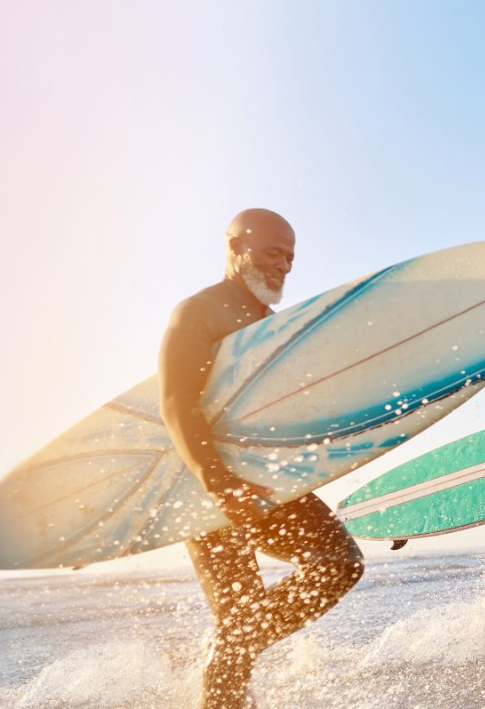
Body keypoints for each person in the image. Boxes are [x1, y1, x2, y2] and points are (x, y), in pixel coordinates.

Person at [159, 208, 364, 709]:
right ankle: (231, 660)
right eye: (275, 252)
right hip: (209, 492)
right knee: (240, 619)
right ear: (236, 247)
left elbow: (290, 421)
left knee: (339, 563)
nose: (285, 266)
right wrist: (215, 481)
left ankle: (230, 649)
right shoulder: (198, 312)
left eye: (291, 256)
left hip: (267, 483)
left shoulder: (272, 325)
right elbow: (175, 401)